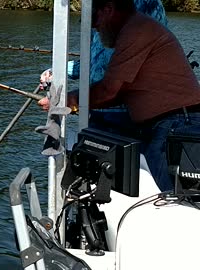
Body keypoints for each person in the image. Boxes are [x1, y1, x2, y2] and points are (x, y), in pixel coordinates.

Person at [39, 0, 200, 192]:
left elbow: (109, 90)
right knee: (169, 192)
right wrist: (72, 102)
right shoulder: (133, 29)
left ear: (109, 9)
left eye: (94, 17)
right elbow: (120, 93)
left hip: (176, 124)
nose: (92, 25)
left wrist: (68, 100)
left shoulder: (137, 30)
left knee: (180, 196)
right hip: (161, 124)